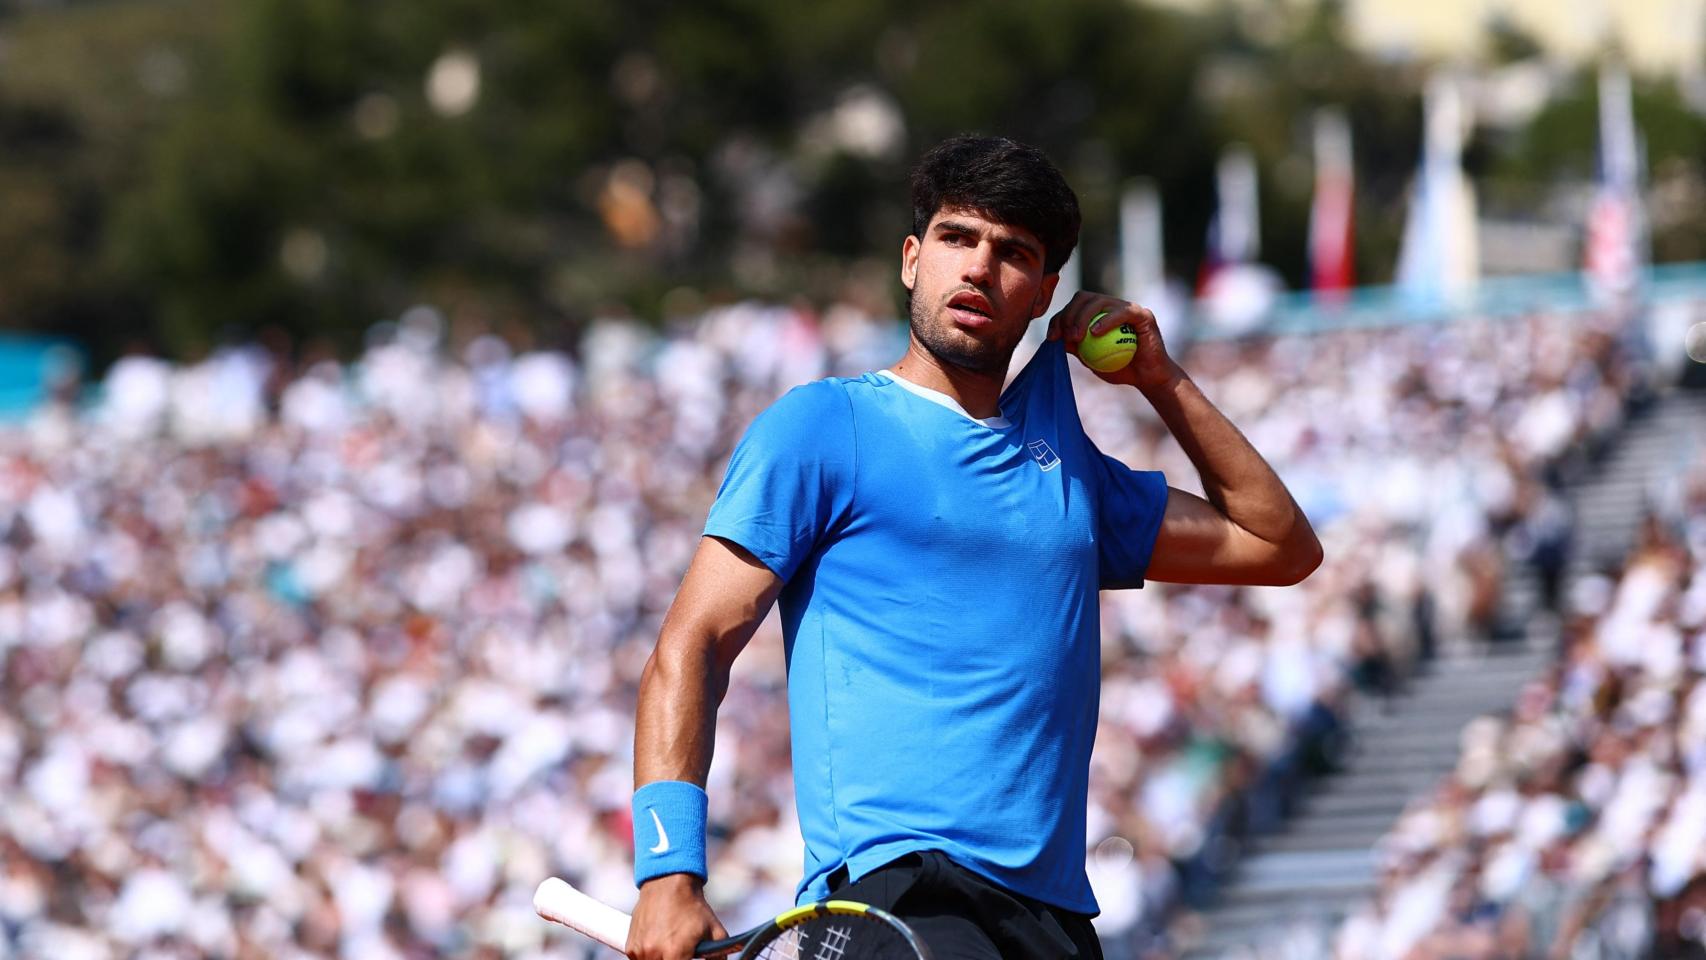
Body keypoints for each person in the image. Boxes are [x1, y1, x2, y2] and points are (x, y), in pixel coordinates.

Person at [624, 135, 1323, 960]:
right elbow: (693, 643)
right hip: (901, 894)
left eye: (1013, 253)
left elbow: (1278, 544)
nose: (980, 268)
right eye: (957, 237)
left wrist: (1161, 380)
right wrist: (667, 872)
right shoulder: (822, 426)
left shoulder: (1072, 478)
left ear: (1045, 294)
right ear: (912, 260)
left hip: (1052, 918)